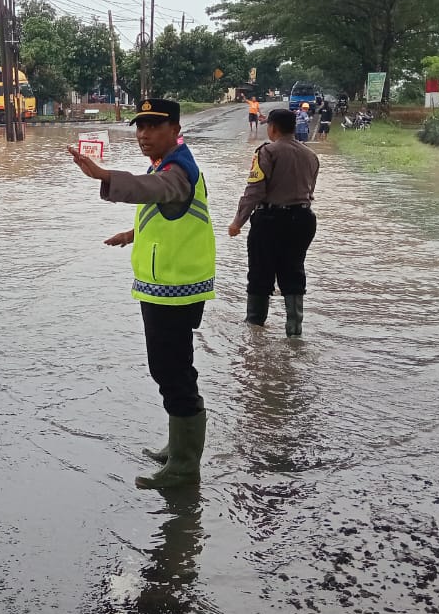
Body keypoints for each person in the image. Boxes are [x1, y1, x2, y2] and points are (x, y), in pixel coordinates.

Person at [68, 98, 216, 490]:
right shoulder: (169, 164)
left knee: (172, 372)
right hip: (167, 287)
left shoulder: (177, 170)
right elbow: (171, 211)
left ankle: (185, 468)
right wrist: (133, 234)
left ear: (175, 128)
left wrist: (104, 176)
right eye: (139, 127)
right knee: (171, 368)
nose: (143, 135)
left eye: (153, 126)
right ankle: (178, 447)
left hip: (174, 290)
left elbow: (156, 190)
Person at [226, 108, 320, 337]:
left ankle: (254, 332)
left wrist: (238, 221)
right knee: (294, 271)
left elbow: (254, 191)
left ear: (273, 128)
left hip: (270, 221)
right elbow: (311, 191)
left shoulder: (266, 152)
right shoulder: (310, 155)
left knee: (260, 274)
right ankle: (295, 332)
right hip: (303, 220)